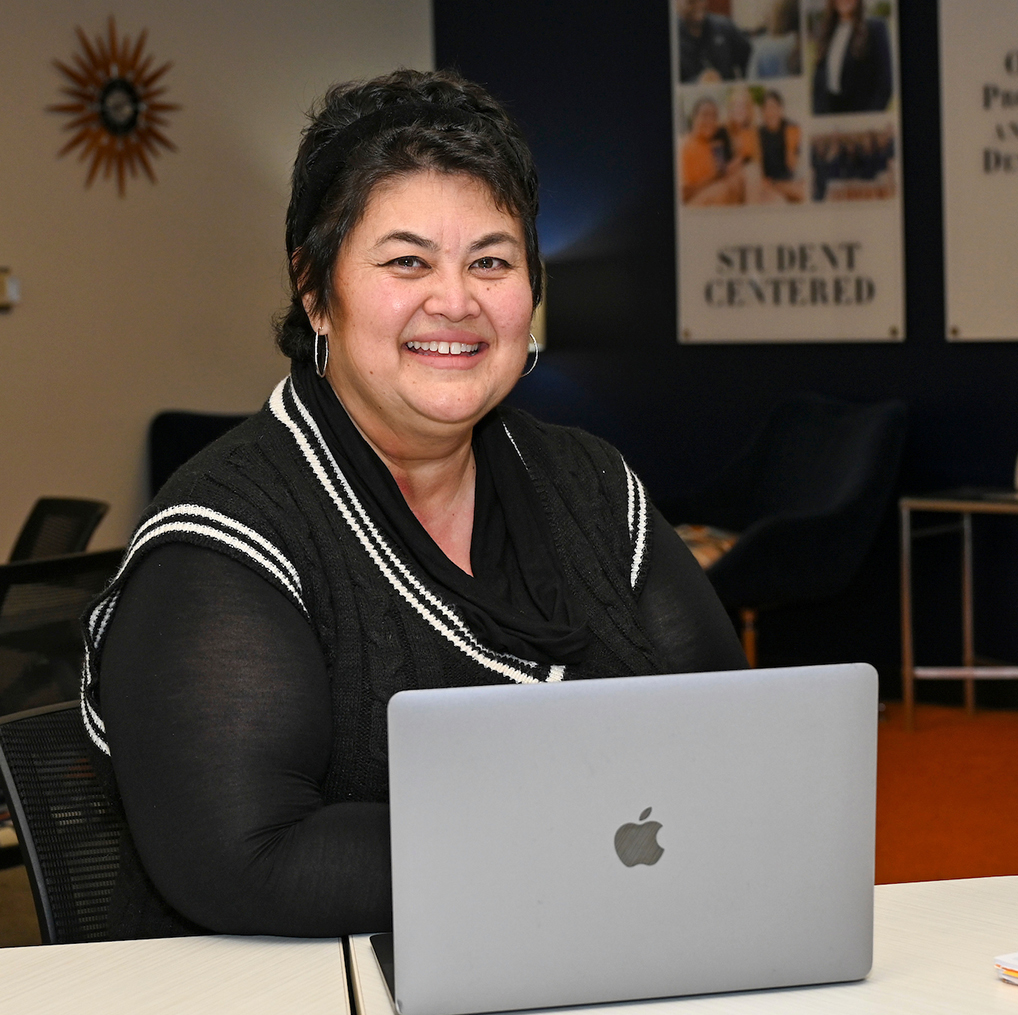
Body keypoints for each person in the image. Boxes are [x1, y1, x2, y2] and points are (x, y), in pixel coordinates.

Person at [79, 68, 745, 939]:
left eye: (493, 261)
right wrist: (587, 833)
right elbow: (256, 859)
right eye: (406, 261)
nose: (457, 301)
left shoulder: (591, 486)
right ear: (316, 290)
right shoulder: (222, 541)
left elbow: (738, 749)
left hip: (597, 962)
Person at [811, 0, 893, 115]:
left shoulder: (875, 28)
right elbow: (818, 84)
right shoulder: (825, 31)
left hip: (861, 119)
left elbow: (885, 85)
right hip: (829, 119)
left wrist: (867, 120)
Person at [680, 97, 745, 205]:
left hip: (718, 197)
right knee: (724, 189)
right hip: (695, 204)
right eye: (705, 115)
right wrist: (713, 179)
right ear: (694, 117)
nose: (710, 120)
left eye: (714, 116)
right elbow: (682, 194)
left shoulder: (716, 145)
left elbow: (722, 173)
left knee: (743, 175)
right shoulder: (684, 146)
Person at [677, 0, 751, 83]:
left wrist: (743, 83)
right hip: (686, 93)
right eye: (691, 2)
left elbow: (748, 55)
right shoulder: (673, 37)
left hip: (725, 91)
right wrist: (697, 82)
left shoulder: (724, 27)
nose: (698, 5)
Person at [756, 89, 804, 203]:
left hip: (785, 182)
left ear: (780, 109)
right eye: (766, 108)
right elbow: (757, 168)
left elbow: (792, 165)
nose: (770, 112)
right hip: (766, 184)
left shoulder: (791, 128)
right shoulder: (759, 133)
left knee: (803, 191)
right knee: (778, 200)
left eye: (773, 107)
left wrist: (790, 144)